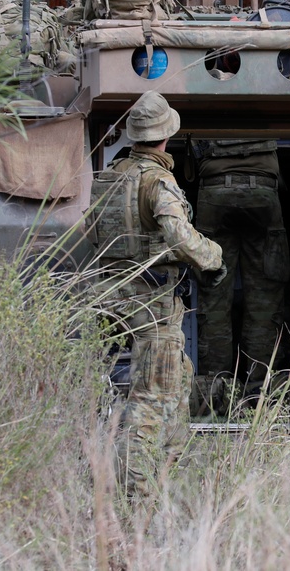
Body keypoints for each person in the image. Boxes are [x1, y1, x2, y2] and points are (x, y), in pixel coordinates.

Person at [91, 91, 225, 496]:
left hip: (112, 300)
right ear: (167, 136)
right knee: (151, 398)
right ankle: (137, 493)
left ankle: (164, 480)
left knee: (171, 383)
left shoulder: (109, 177)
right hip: (152, 305)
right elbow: (179, 236)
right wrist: (213, 259)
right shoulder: (156, 180)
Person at [193, 139, 289, 385]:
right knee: (264, 303)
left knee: (214, 303)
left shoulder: (208, 103)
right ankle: (261, 391)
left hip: (214, 192)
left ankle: (216, 390)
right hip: (263, 192)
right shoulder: (269, 102)